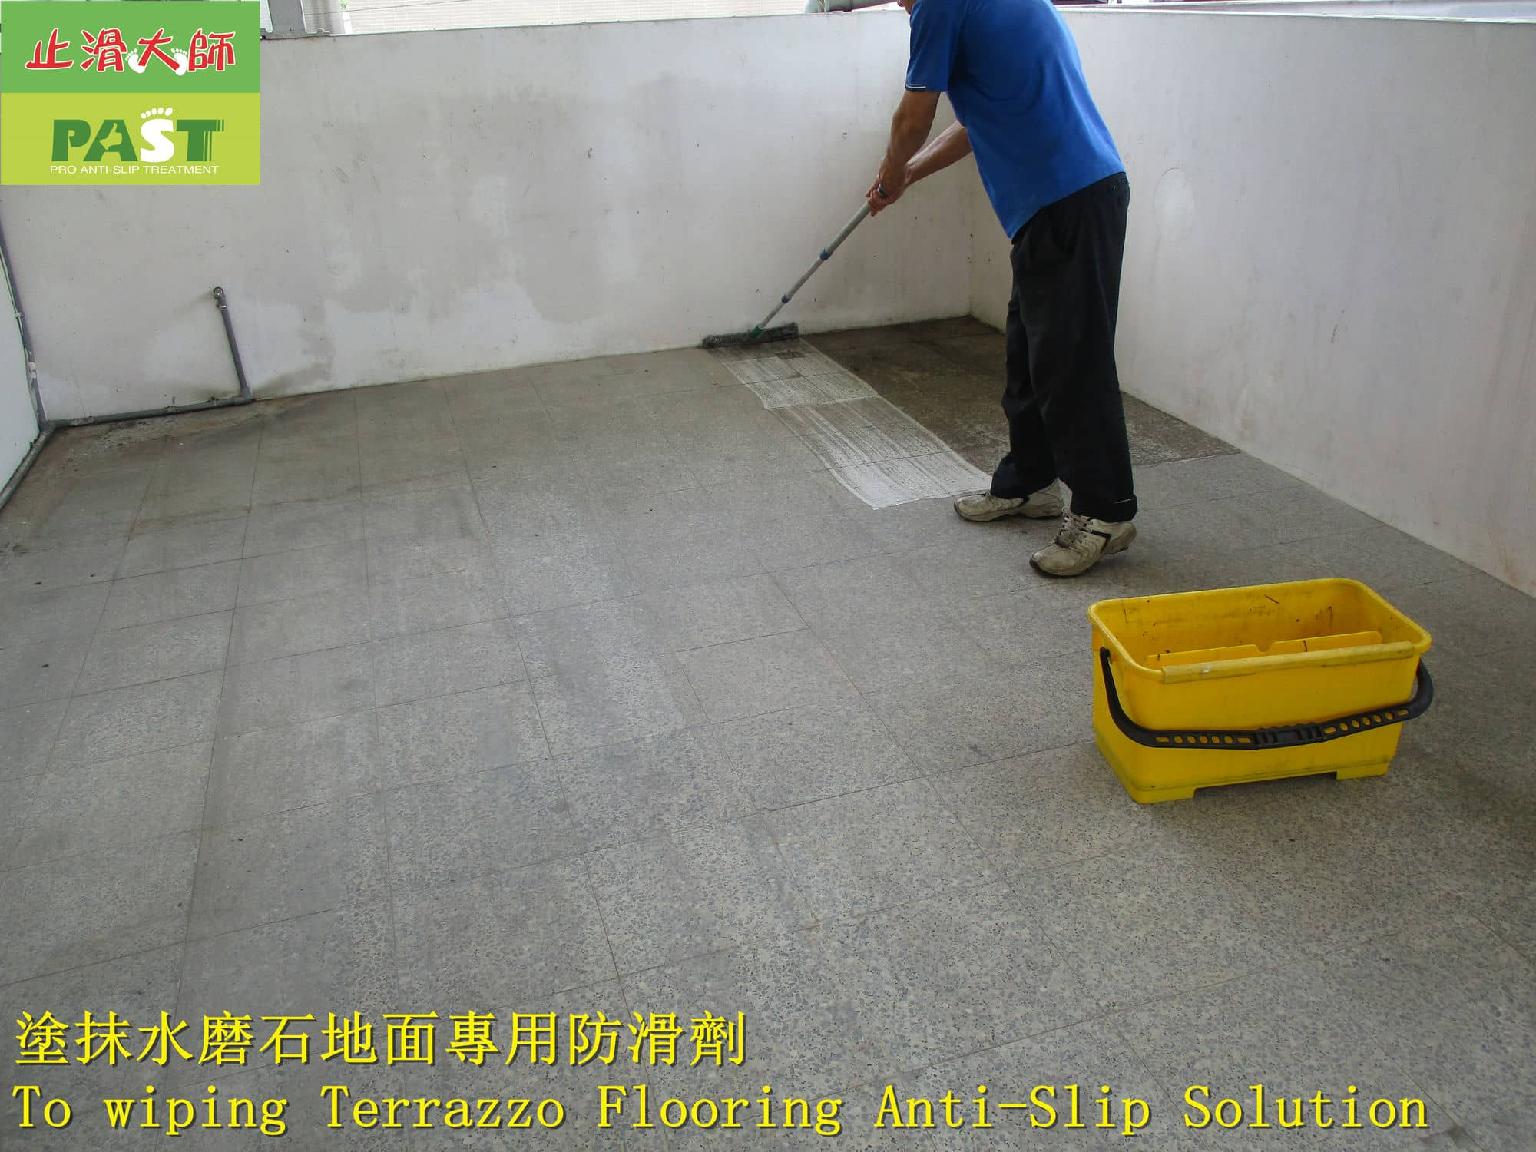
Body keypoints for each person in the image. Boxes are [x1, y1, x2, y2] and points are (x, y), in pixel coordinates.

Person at [867, 0, 1137, 577]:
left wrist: (890, 171)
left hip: (1068, 199)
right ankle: (1030, 482)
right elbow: (974, 123)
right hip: (1058, 204)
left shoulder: (939, 3)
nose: (901, 7)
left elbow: (913, 118)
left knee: (1072, 362)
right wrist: (907, 175)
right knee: (1029, 355)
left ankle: (1104, 512)